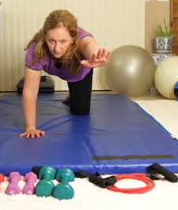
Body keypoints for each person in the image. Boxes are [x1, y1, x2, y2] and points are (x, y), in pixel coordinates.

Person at [20, 9, 111, 139]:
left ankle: (73, 93)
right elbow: (30, 89)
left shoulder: (81, 39)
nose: (57, 48)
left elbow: (88, 46)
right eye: (51, 41)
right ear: (45, 37)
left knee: (80, 112)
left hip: (77, 71)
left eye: (63, 41)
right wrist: (31, 127)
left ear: (73, 39)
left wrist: (95, 57)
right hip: (60, 68)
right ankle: (73, 92)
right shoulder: (36, 49)